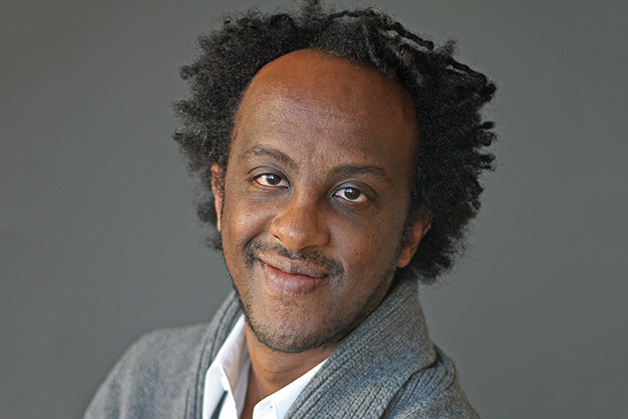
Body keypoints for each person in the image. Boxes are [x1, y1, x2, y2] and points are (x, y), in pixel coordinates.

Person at [84, 1, 496, 418]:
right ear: (220, 193)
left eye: (351, 193)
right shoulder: (145, 379)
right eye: (270, 178)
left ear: (409, 233)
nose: (296, 231)